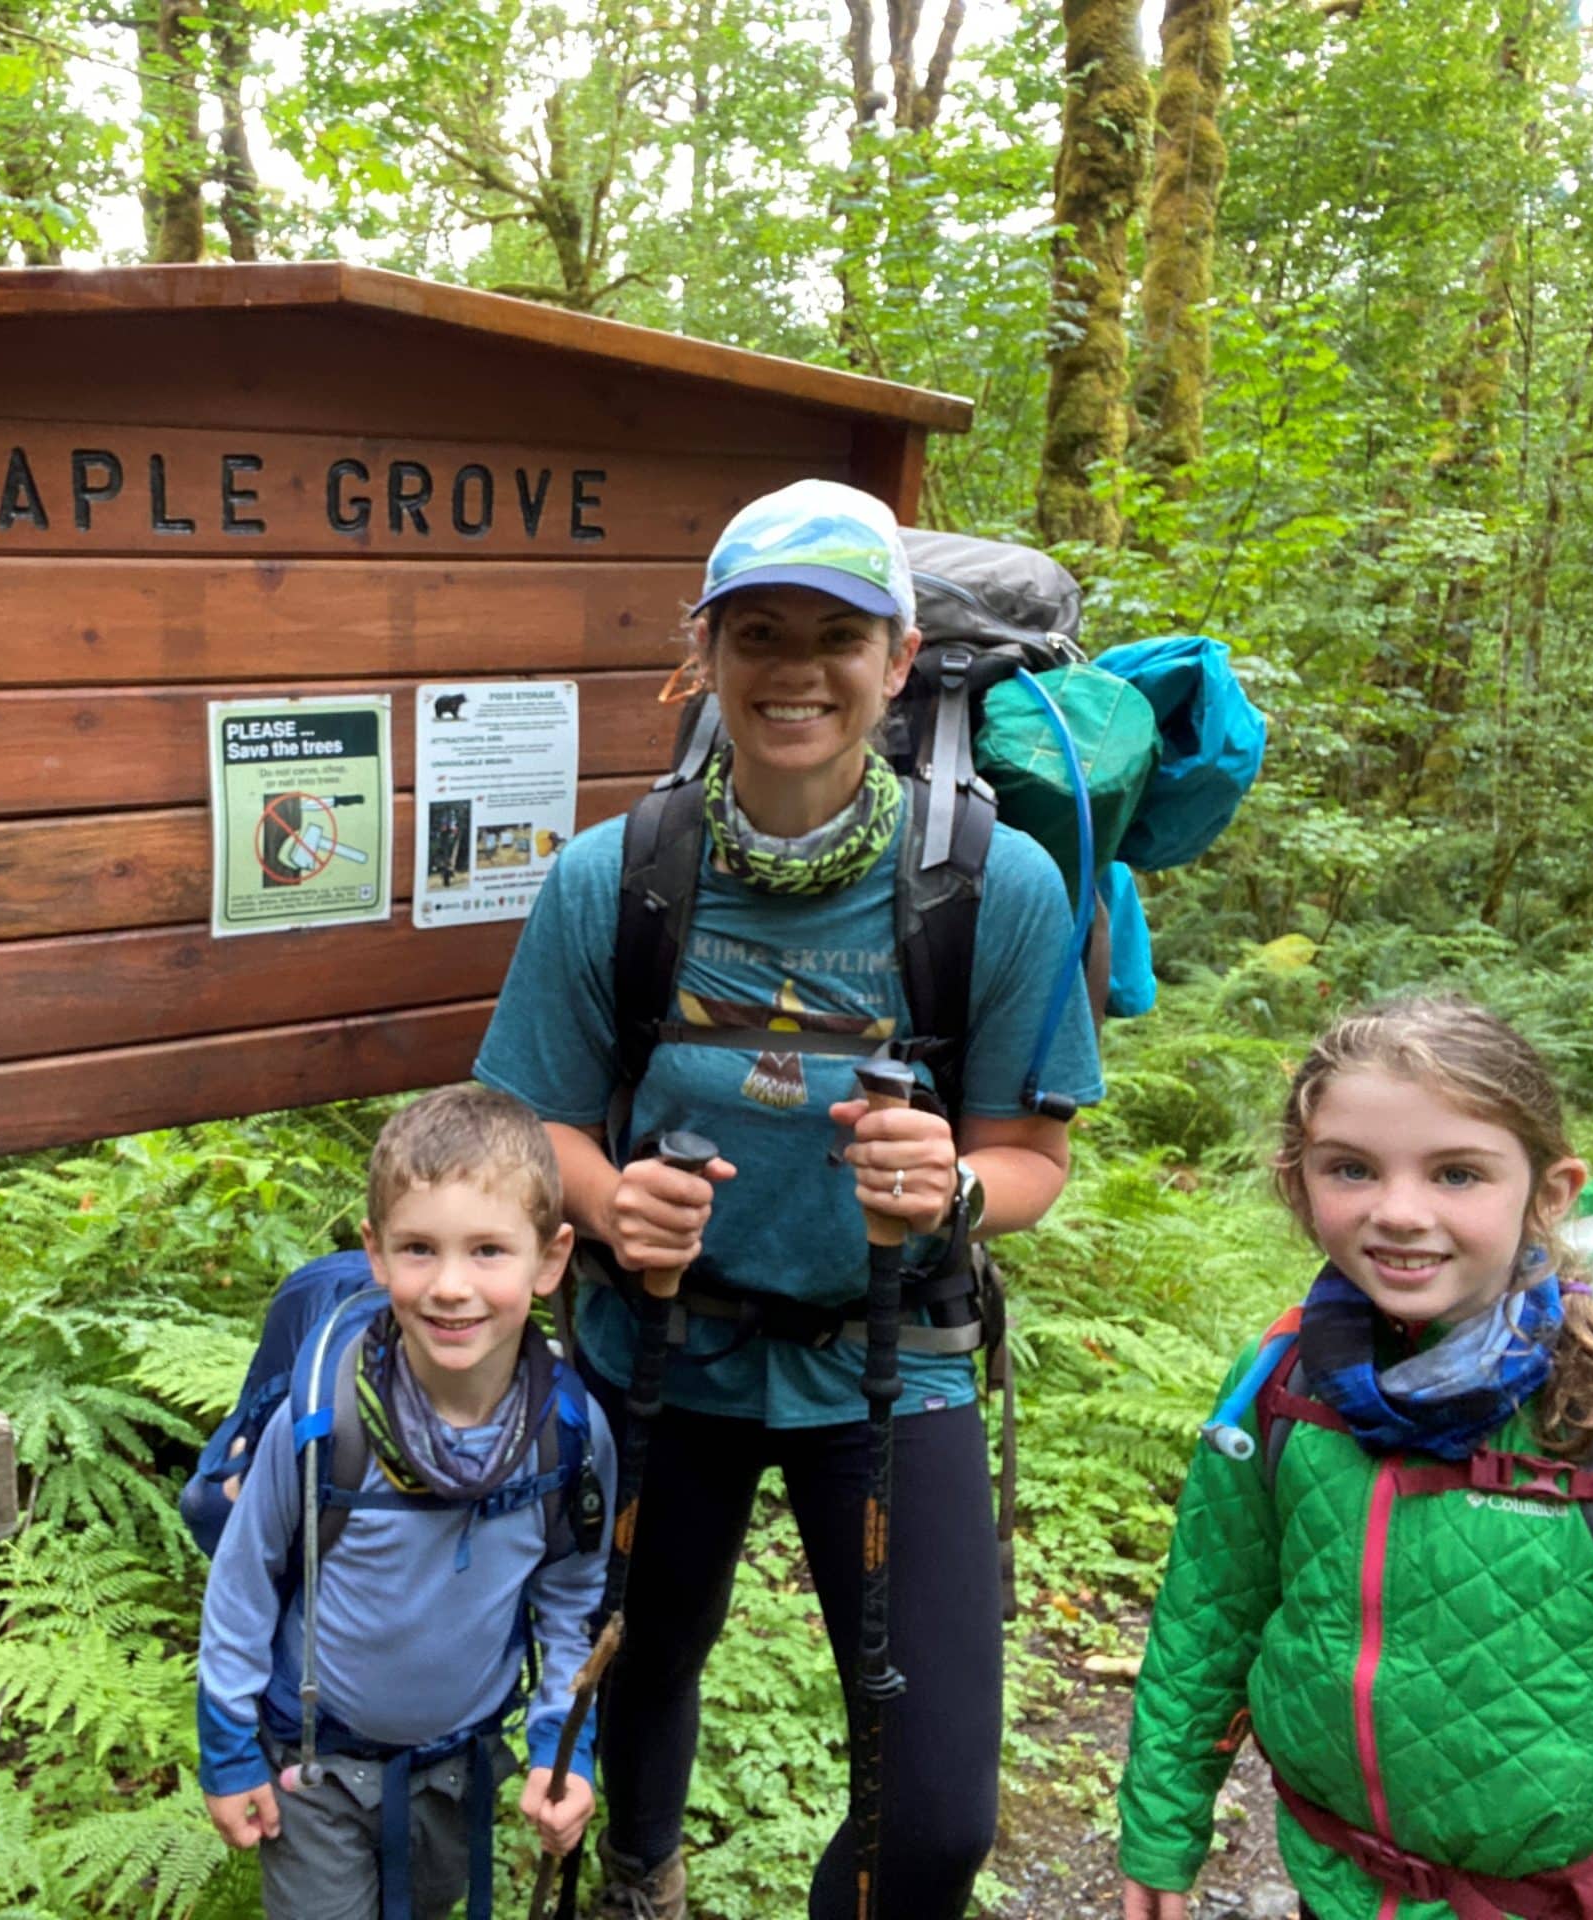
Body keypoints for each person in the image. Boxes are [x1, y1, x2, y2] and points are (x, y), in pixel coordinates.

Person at [474, 481, 1101, 1919]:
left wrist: (951, 1189)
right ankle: (645, 1881)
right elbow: (534, 1123)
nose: (797, 668)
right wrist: (608, 1198)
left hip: (897, 1367)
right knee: (640, 1682)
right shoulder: (614, 882)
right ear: (707, 657)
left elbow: (1033, 1159)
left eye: (839, 632)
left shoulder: (988, 889)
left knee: (935, 1822)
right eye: (760, 632)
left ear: (900, 659)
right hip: (659, 1360)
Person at [1118, 996, 1593, 1920]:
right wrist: (1162, 1828)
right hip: (1339, 1886)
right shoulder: (1284, 1382)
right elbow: (1211, 1614)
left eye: (1456, 1174)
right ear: (1299, 1181)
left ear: (1550, 1193)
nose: (1398, 1212)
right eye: (1352, 1169)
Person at [197, 1084, 619, 1919]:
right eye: (419, 1249)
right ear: (376, 1254)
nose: (451, 1286)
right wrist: (229, 1753)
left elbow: (572, 1595)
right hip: (312, 1767)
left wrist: (560, 1748)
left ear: (550, 1258)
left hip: (458, 1770)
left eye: (489, 1251)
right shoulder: (326, 1423)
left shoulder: (566, 1433)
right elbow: (242, 1586)